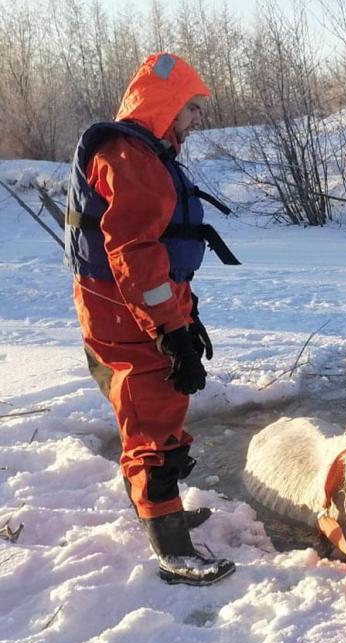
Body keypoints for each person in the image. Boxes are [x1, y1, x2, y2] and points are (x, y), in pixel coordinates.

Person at [65, 52, 240, 585]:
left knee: (161, 413)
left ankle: (160, 514)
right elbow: (136, 257)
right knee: (150, 424)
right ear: (167, 106)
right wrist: (170, 330)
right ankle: (171, 548)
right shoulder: (131, 158)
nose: (195, 120)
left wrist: (184, 319)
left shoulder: (144, 154)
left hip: (139, 309)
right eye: (190, 109)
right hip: (127, 316)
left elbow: (158, 258)